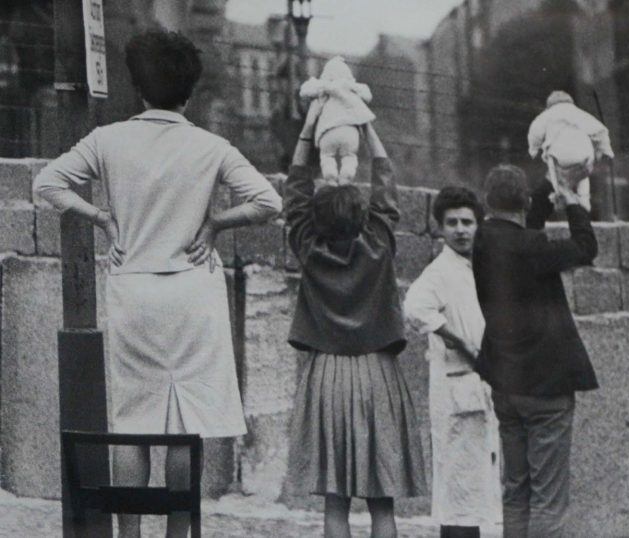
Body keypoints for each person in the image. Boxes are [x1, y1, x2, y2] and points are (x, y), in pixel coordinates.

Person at [33, 30, 282, 538]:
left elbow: (47, 184)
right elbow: (268, 203)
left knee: (132, 423)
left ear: (137, 86)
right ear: (189, 90)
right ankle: (177, 535)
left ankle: (130, 535)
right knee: (182, 429)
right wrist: (214, 224)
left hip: (133, 290)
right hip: (192, 291)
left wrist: (101, 217)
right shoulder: (212, 147)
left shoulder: (108, 140)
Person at [283, 105, 426, 538]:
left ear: (316, 220)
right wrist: (367, 126)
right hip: (378, 372)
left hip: (326, 373)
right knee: (383, 505)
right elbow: (386, 189)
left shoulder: (307, 246)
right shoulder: (379, 243)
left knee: (335, 503)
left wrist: (309, 129)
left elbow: (294, 196)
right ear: (364, 217)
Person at [472, 165, 599, 538]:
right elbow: (586, 247)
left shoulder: (481, 240)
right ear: (524, 202)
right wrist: (573, 201)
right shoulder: (533, 248)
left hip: (505, 383)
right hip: (546, 385)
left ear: (485, 203)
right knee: (548, 498)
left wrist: (552, 181)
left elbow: (522, 229)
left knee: (516, 491)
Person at [403, 187, 502, 538]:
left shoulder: (480, 266)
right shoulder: (439, 271)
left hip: (485, 387)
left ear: (479, 225)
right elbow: (415, 309)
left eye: (467, 222)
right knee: (458, 487)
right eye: (452, 223)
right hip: (457, 390)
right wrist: (459, 340)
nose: (460, 230)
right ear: (440, 229)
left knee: (479, 487)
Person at [527, 90, 614, 212]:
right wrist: (606, 150)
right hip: (585, 157)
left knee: (555, 175)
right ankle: (584, 198)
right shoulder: (580, 114)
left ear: (549, 106)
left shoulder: (547, 115)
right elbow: (600, 131)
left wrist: (533, 150)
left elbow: (535, 132)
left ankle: (559, 194)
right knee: (583, 176)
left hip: (561, 158)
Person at [299, 56, 375, 184]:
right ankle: (347, 174)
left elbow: (304, 91)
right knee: (349, 156)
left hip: (327, 131)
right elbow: (367, 95)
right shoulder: (350, 86)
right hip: (349, 131)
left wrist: (321, 86)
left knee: (327, 156)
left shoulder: (323, 86)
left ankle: (330, 175)